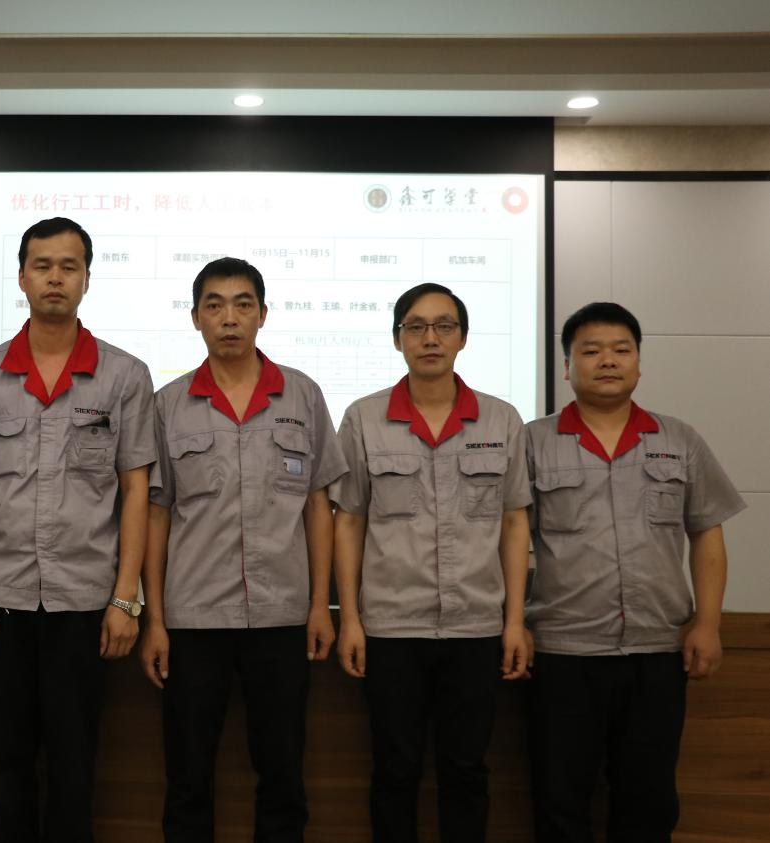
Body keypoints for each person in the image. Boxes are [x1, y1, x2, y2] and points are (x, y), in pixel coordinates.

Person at [0, 216, 155, 842]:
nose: (55, 278)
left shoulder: (123, 376)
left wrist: (125, 599)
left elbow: (136, 490)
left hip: (84, 605)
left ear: (86, 278)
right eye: (42, 266)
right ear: (22, 278)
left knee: (74, 767)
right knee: (6, 765)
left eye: (68, 266)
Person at [140, 257, 347, 842]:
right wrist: (154, 620)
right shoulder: (169, 404)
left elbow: (318, 506)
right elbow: (157, 513)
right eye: (214, 305)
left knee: (283, 777)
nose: (228, 318)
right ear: (195, 318)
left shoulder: (302, 395)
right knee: (187, 779)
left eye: (242, 304)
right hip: (193, 619)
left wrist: (319, 607)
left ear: (262, 314)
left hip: (282, 618)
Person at [526, 302, 745, 843]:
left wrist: (708, 624)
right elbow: (506, 540)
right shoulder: (532, 442)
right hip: (563, 651)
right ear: (567, 366)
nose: (608, 360)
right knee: (559, 798)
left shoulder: (679, 440)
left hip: (656, 650)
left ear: (639, 363)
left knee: (648, 800)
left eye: (621, 350)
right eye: (591, 351)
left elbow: (707, 534)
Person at [331, 282, 531, 843]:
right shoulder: (364, 418)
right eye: (416, 327)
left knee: (467, 771)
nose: (430, 338)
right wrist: (350, 619)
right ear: (397, 339)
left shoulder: (501, 420)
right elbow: (348, 522)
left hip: (475, 627)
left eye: (444, 326)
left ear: (463, 338)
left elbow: (514, 523)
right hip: (392, 628)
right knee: (394, 771)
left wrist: (515, 622)